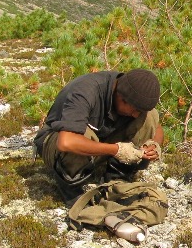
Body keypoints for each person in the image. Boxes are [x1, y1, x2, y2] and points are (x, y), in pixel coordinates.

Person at [34, 69, 165, 204]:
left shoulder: (128, 95)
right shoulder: (85, 91)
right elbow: (66, 142)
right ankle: (71, 182)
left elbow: (157, 127)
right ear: (121, 98)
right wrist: (117, 150)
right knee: (79, 135)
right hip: (53, 143)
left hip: (101, 141)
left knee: (150, 116)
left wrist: (154, 144)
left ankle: (118, 176)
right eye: (135, 110)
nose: (136, 115)